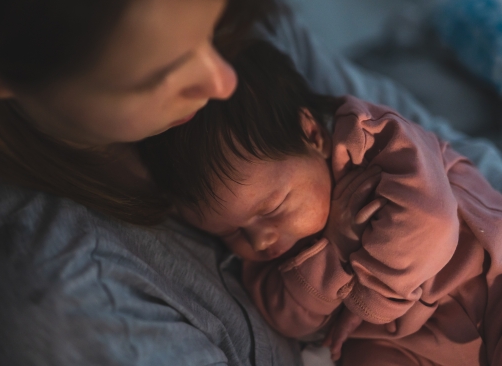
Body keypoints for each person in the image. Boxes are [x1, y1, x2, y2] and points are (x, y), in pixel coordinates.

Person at [0, 0, 502, 364]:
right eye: (157, 75)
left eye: (219, 33)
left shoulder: (207, 15)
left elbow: (445, 154)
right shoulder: (79, 308)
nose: (221, 79)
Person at [140, 40, 502, 366]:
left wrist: (367, 306)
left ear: (311, 135)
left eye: (272, 209)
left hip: (484, 273)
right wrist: (334, 247)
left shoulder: (376, 142)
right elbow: (288, 318)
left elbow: (432, 223)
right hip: (407, 343)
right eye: (231, 232)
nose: (259, 240)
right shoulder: (273, 259)